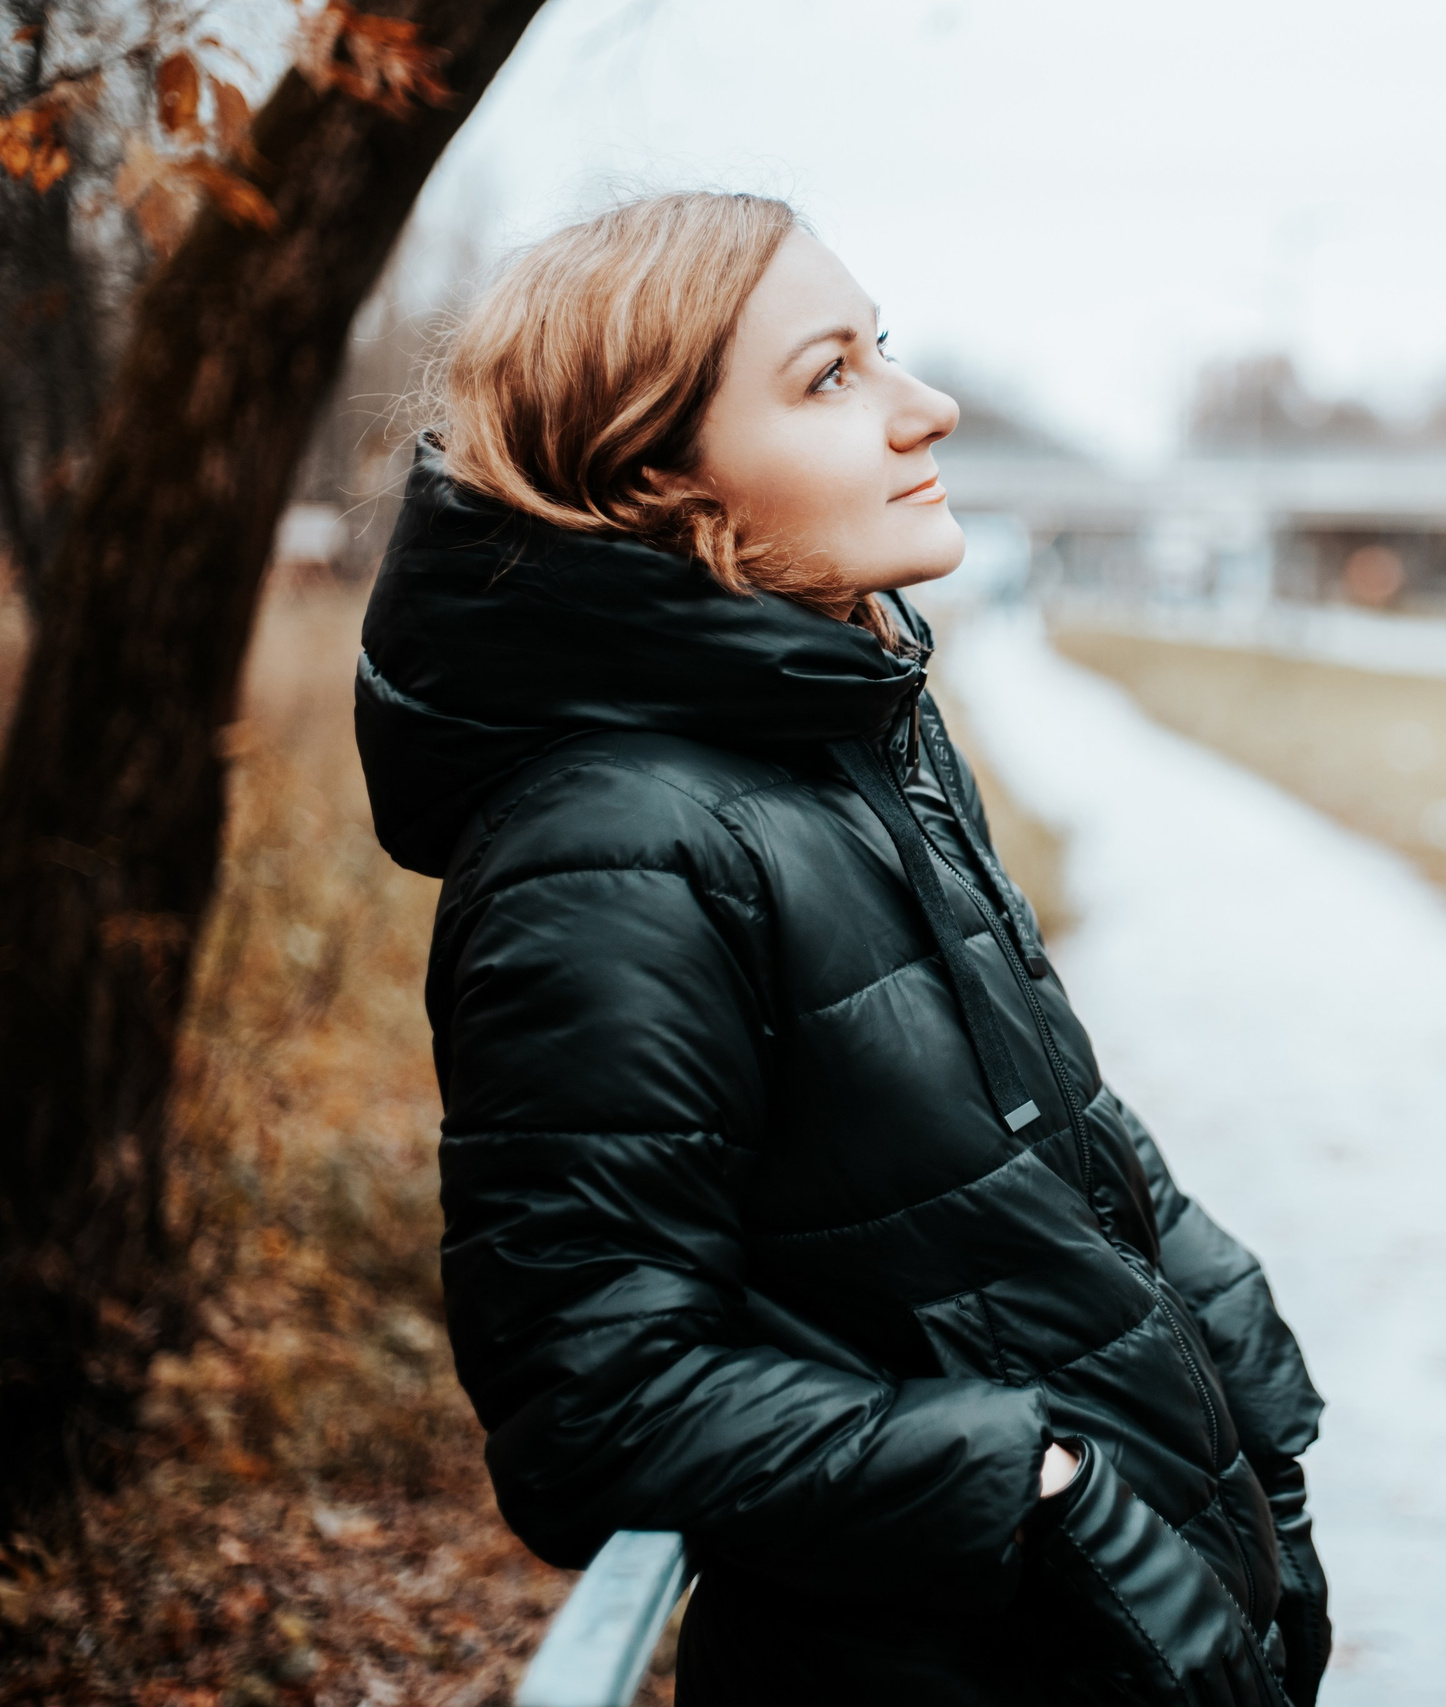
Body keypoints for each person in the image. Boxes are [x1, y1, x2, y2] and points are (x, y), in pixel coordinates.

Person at [353, 192, 1327, 1705]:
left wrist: (1231, 1361)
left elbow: (1019, 1133)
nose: (923, 408)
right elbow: (591, 1406)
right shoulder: (605, 854)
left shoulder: (852, 732)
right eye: (831, 377)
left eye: (885, 350)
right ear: (658, 474)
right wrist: (1048, 1491)